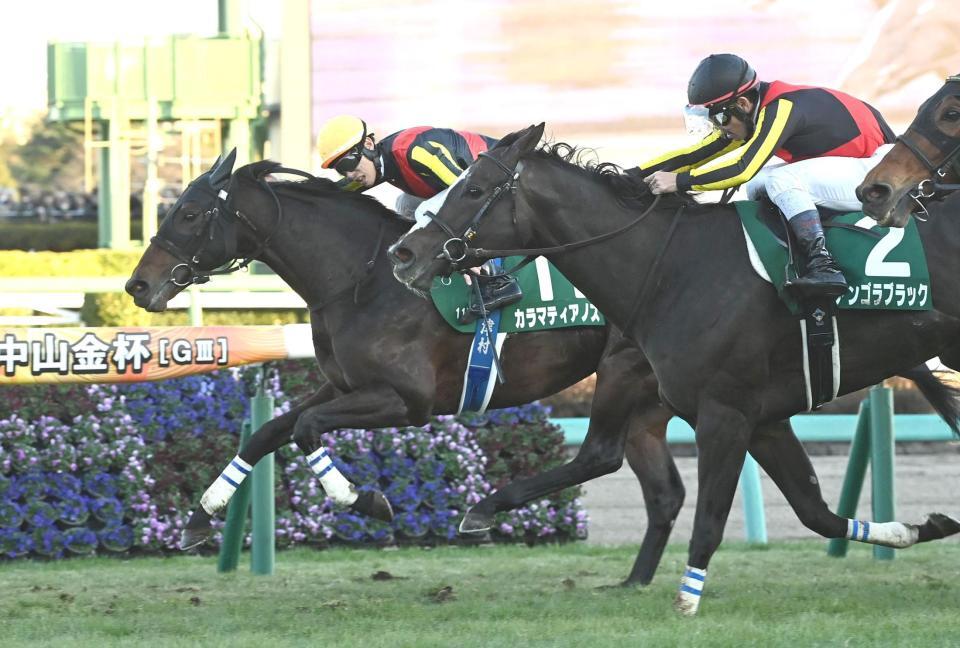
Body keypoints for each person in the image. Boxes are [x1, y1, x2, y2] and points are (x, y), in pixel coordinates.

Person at [638, 53, 896, 297]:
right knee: (759, 182)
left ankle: (822, 265)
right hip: (861, 166)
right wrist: (633, 175)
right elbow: (693, 155)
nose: (718, 127)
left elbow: (742, 168)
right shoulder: (752, 111)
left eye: (720, 117)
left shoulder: (782, 108)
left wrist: (680, 182)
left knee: (778, 180)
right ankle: (786, 252)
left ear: (742, 103)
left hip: (882, 174)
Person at [316, 115, 522, 319]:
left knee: (419, 208)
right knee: (406, 204)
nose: (349, 174)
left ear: (368, 144)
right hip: (483, 187)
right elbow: (337, 192)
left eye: (348, 164)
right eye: (340, 170)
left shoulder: (414, 152)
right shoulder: (377, 163)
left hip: (513, 179)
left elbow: (468, 198)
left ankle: (497, 280)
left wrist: (466, 250)